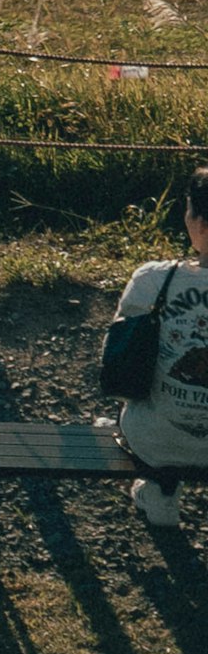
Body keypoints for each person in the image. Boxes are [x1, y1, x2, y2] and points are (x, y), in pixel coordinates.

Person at [99, 154, 208, 539]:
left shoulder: (153, 280)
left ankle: (160, 496)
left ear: (195, 221)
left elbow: (118, 358)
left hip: (155, 441)